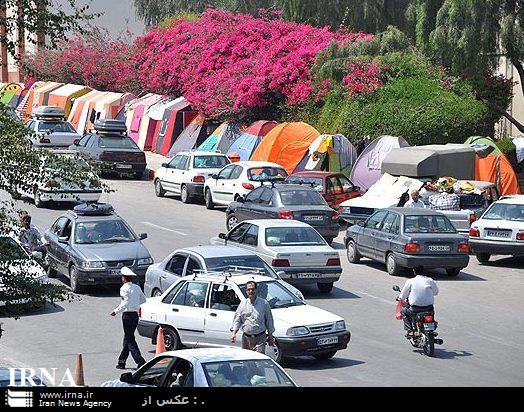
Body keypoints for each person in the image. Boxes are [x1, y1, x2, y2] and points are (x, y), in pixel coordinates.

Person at [110, 267, 146, 369]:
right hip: (135, 315)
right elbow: (143, 300)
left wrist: (115, 311)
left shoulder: (124, 288)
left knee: (130, 339)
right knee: (127, 338)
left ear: (124, 278)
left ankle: (140, 361)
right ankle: (121, 362)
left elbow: (124, 303)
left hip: (127, 316)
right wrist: (134, 305)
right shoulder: (137, 287)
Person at [231, 281, 275, 353]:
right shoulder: (242, 304)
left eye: (252, 289)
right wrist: (234, 333)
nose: (251, 291)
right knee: (247, 359)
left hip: (260, 337)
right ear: (246, 291)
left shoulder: (264, 303)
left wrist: (270, 336)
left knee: (259, 358)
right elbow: (237, 319)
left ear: (256, 290)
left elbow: (269, 320)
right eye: (248, 289)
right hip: (246, 338)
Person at [399, 270, 439, 337]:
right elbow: (435, 292)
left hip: (415, 310)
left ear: (414, 271)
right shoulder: (430, 280)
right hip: (429, 309)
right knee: (431, 316)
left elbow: (403, 296)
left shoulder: (410, 281)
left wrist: (399, 298)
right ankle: (432, 327)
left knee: (403, 310)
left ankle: (410, 330)